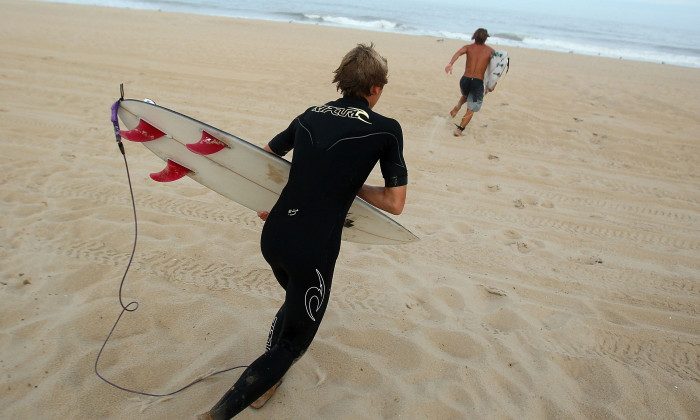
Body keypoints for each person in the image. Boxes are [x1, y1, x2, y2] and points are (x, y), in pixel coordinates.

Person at [196, 43, 408, 420]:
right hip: (312, 248)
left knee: (294, 301)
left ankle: (269, 382)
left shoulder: (309, 115)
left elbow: (262, 158)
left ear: (342, 81)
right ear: (375, 88)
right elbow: (394, 203)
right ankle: (217, 414)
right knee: (294, 345)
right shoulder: (386, 130)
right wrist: (351, 184)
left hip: (274, 235)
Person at [444, 28, 495, 136]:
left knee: (467, 95)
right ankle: (459, 130)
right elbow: (496, 70)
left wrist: (450, 64)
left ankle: (457, 107)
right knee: (471, 108)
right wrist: (492, 84)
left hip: (465, 80)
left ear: (474, 36)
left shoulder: (468, 47)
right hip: (477, 82)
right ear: (486, 38)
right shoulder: (490, 51)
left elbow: (458, 53)